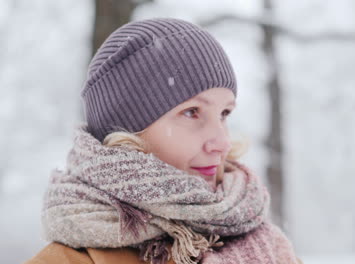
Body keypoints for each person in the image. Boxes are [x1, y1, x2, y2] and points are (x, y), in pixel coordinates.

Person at [25, 17, 301, 264]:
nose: (221, 143)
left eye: (224, 113)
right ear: (128, 133)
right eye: (192, 112)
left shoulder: (271, 248)